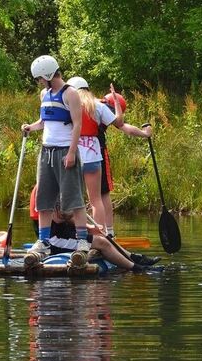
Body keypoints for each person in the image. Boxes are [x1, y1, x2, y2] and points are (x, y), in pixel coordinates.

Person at [21, 55, 89, 262]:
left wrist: (71, 152)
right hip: (46, 151)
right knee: (44, 197)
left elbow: (77, 125)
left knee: (74, 197)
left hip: (64, 152)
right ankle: (44, 241)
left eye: (40, 78)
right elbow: (44, 121)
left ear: (49, 74)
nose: (39, 82)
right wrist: (30, 128)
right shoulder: (45, 94)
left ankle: (82, 240)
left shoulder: (71, 94)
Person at [67, 76, 152, 236]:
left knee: (74, 199)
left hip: (74, 157)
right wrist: (117, 103)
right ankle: (104, 234)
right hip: (95, 157)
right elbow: (121, 124)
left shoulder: (68, 106)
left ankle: (79, 234)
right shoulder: (98, 106)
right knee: (98, 198)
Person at [25, 202, 161, 271]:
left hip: (63, 231)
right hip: (54, 239)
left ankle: (134, 257)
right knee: (102, 243)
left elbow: (67, 218)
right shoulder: (46, 190)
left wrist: (89, 228)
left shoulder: (59, 184)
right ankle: (136, 268)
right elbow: (60, 216)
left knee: (104, 238)